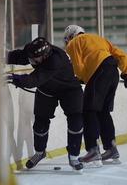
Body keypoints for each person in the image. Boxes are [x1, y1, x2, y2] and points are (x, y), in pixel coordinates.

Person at [63, 25, 127, 167]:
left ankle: (93, 150)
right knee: (103, 112)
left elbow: (78, 67)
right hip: (112, 71)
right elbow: (121, 55)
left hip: (99, 73)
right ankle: (111, 148)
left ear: (71, 36)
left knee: (88, 111)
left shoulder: (74, 43)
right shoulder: (99, 39)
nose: (67, 43)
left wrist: (82, 79)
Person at [6, 37, 84, 171]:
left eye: (35, 60)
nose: (32, 62)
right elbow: (20, 56)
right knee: (40, 121)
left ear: (45, 56)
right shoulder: (34, 51)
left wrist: (16, 78)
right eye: (31, 59)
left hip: (69, 89)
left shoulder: (56, 59)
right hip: (47, 88)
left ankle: (73, 155)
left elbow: (35, 79)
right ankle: (40, 152)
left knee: (76, 120)